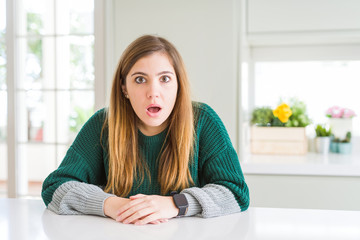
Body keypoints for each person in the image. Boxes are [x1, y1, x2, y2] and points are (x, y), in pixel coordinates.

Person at [41, 35, 249, 225]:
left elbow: (236, 192)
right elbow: (56, 187)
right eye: (140, 80)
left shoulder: (203, 120)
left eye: (165, 79)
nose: (153, 93)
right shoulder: (103, 124)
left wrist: (175, 204)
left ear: (178, 84)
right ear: (124, 88)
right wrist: (114, 206)